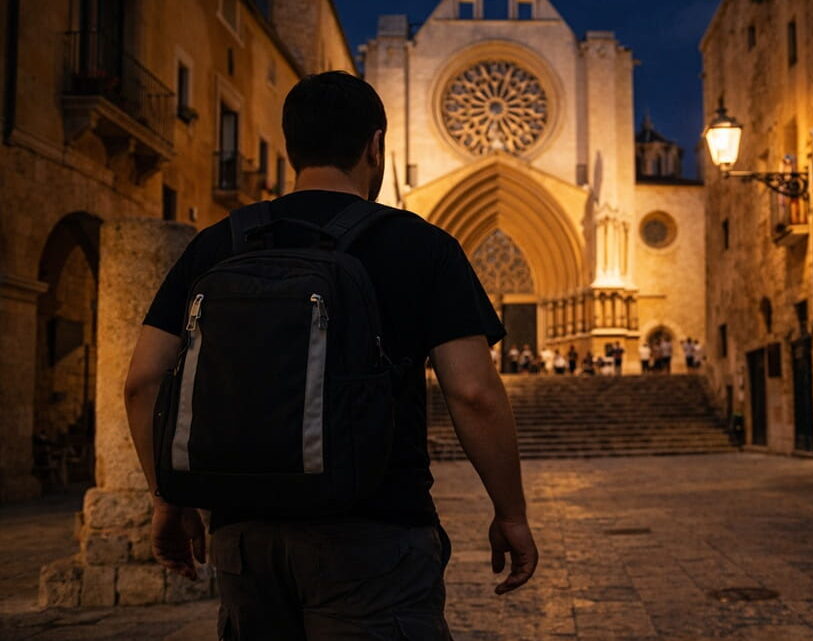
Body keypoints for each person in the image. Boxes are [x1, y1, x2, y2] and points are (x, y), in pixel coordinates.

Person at [122, 72, 537, 640]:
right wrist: (510, 512)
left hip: (246, 536)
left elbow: (142, 382)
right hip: (374, 535)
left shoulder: (219, 243)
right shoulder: (421, 245)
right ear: (375, 146)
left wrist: (168, 498)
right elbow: (473, 391)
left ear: (290, 146)